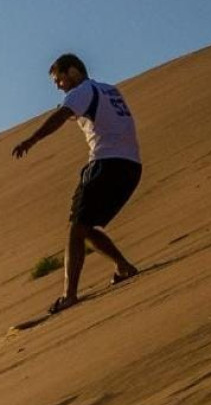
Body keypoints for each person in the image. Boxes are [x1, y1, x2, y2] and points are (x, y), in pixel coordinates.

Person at [12, 53, 142, 313]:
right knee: (85, 226)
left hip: (107, 163)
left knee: (76, 228)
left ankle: (69, 295)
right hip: (131, 166)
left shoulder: (82, 90)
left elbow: (60, 117)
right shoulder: (109, 89)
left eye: (59, 79)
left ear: (72, 72)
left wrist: (31, 140)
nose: (59, 86)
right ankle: (122, 266)